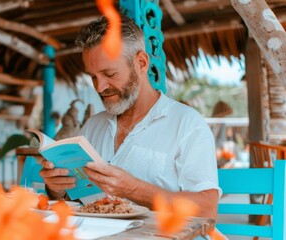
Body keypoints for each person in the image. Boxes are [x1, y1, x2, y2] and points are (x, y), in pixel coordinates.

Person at [39, 15, 220, 219]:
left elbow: (207, 209)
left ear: (141, 63)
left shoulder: (186, 123)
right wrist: (57, 188)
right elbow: (78, 202)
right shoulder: (93, 126)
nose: (100, 87)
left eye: (109, 74)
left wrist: (133, 189)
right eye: (93, 77)